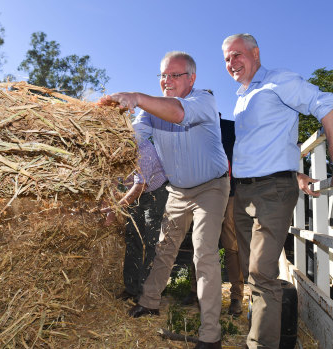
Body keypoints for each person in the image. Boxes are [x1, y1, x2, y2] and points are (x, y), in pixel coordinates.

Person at [221, 33, 333, 348]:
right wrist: (299, 175)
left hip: (271, 193)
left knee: (262, 274)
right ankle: (260, 334)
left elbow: (328, 105)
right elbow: (271, 144)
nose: (232, 63)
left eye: (237, 55)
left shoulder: (278, 80)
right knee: (255, 276)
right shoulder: (242, 96)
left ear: (255, 52)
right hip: (244, 193)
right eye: (226, 58)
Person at [100, 51, 230, 349]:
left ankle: (211, 335)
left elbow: (178, 113)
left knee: (204, 252)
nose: (166, 81)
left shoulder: (204, 99)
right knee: (164, 247)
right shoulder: (149, 113)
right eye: (162, 75)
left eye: (174, 75)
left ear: (192, 78)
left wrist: (136, 96)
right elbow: (130, 137)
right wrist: (101, 126)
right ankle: (149, 302)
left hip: (211, 187)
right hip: (178, 190)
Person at [182, 114, 244, 317]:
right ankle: (194, 290)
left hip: (231, 192)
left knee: (231, 245)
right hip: (202, 194)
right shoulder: (191, 131)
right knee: (199, 242)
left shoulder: (232, 128)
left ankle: (236, 296)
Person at [102, 138, 168, 302]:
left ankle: (147, 294)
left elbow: (141, 185)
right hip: (133, 194)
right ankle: (131, 288)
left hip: (154, 192)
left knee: (151, 241)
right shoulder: (110, 149)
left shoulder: (143, 148)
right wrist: (108, 208)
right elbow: (111, 182)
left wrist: (116, 208)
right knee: (133, 238)